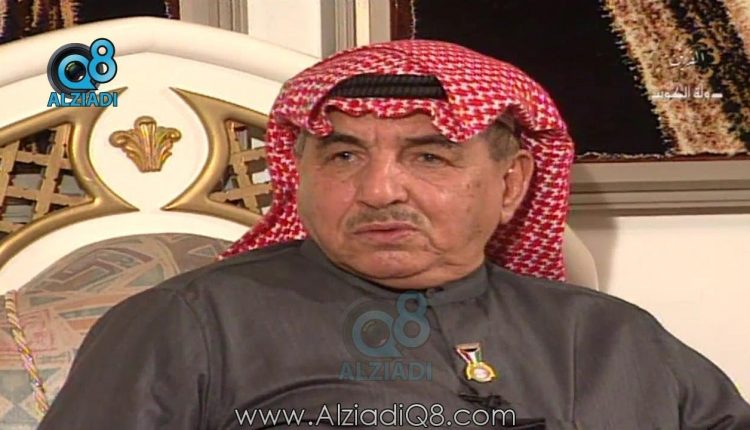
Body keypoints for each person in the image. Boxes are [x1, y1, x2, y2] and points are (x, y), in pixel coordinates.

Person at [38, 40, 750, 429]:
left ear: (510, 184)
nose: (380, 190)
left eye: (429, 157)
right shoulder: (189, 325)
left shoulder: (613, 338)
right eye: (344, 156)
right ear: (299, 173)